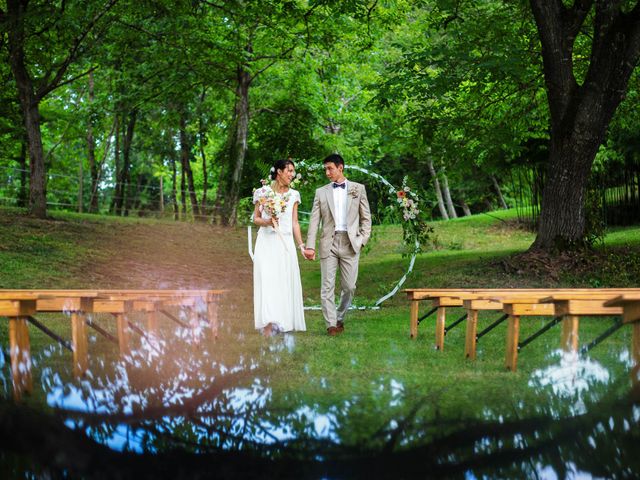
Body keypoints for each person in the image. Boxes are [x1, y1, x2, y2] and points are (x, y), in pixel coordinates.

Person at [303, 154, 371, 336]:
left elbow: (366, 218)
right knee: (327, 286)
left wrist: (362, 239)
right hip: (329, 243)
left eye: (330, 168)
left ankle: (339, 316)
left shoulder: (358, 189)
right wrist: (310, 245)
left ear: (340, 168)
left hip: (351, 243)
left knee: (350, 287)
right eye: (325, 169)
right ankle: (331, 324)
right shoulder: (321, 192)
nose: (327, 172)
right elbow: (313, 221)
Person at [252, 159, 306, 336]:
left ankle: (283, 322)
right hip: (266, 242)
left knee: (283, 281)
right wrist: (267, 222)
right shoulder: (263, 192)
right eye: (289, 170)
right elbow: (256, 219)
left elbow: (295, 223)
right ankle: (268, 323)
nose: (292, 174)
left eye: (293, 171)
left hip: (285, 243)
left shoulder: (294, 195)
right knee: (267, 281)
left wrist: (301, 246)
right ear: (279, 172)